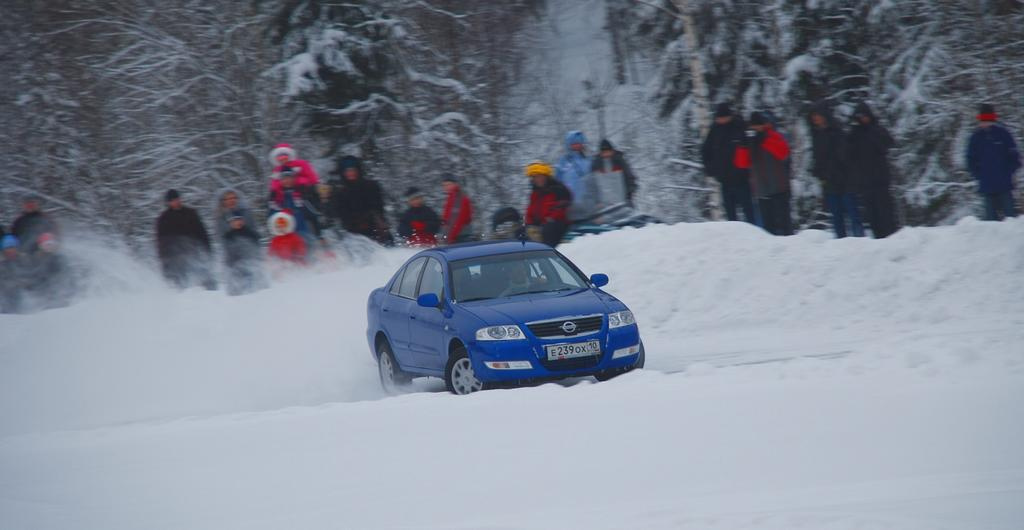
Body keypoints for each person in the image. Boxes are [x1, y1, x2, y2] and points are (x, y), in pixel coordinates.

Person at [809, 103, 863, 238]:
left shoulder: (837, 131)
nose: (815, 118)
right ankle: (841, 244)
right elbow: (818, 157)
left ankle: (860, 241)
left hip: (845, 179)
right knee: (836, 217)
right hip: (829, 181)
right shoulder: (816, 135)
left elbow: (844, 155)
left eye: (817, 115)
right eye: (813, 116)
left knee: (853, 214)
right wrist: (819, 172)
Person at [847, 102, 899, 238]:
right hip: (864, 181)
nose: (862, 119)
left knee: (886, 212)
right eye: (859, 116)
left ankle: (892, 236)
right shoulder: (854, 134)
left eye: (864, 116)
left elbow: (888, 143)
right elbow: (848, 153)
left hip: (880, 178)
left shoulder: (877, 129)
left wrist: (871, 131)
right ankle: (878, 238)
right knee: (872, 214)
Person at [701, 103, 755, 223]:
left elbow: (751, 148)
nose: (721, 120)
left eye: (723, 117)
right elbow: (705, 150)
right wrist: (710, 169)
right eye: (719, 118)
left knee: (749, 213)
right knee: (731, 218)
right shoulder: (714, 129)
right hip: (725, 180)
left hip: (741, 178)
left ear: (729, 116)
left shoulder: (739, 126)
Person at [966, 103, 1021, 220]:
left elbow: (1015, 156)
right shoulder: (976, 137)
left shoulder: (1003, 134)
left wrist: (1008, 171)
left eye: (987, 120)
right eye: (983, 120)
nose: (985, 123)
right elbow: (970, 160)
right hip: (986, 185)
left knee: (1011, 219)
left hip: (1004, 184)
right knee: (990, 222)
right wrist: (978, 175)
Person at [156, 189, 217, 289]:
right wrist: (164, 260)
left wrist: (207, 248)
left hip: (194, 252)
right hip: (175, 257)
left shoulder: (190, 213)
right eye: (172, 200)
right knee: (180, 284)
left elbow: (201, 232)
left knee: (204, 277)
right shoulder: (164, 218)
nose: (175, 202)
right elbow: (161, 242)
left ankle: (212, 294)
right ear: (168, 202)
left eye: (177, 199)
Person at [747, 112, 793, 236]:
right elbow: (742, 163)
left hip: (779, 188)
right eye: (753, 126)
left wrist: (764, 140)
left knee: (785, 226)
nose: (755, 129)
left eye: (757, 126)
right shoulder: (750, 141)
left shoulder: (773, 136)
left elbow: (783, 154)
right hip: (762, 190)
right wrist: (742, 146)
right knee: (768, 230)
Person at [329, 155, 392, 245]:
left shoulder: (371, 186)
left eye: (353, 170)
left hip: (375, 229)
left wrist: (374, 219)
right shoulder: (340, 192)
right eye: (347, 171)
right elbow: (340, 213)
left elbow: (378, 207)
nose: (350, 173)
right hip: (355, 233)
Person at [268, 167, 323, 243]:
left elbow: (313, 215)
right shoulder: (277, 197)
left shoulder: (302, 192)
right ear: (280, 181)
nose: (287, 181)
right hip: (286, 238)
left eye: (289, 178)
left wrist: (319, 236)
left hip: (305, 235)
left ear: (294, 178)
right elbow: (272, 217)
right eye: (284, 178)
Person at [525, 161, 572, 247]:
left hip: (557, 225)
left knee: (548, 229)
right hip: (541, 225)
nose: (537, 179)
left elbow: (562, 207)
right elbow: (530, 211)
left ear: (546, 176)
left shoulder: (558, 189)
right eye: (534, 177)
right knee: (521, 233)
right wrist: (529, 224)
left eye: (539, 176)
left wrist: (549, 219)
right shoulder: (535, 194)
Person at [24, 232, 75, 310]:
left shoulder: (59, 258)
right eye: (46, 244)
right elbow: (32, 275)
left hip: (58, 293)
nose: (49, 246)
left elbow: (67, 274)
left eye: (51, 244)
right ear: (41, 246)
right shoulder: (35, 259)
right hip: (42, 294)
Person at [555, 130, 598, 222]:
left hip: (588, 203)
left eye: (579, 143)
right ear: (569, 145)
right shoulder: (563, 161)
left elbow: (595, 180)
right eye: (573, 143)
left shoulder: (589, 160)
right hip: (570, 204)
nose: (577, 145)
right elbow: (557, 182)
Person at [222, 212, 266, 296]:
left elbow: (257, 249)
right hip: (234, 266)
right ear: (230, 223)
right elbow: (227, 253)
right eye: (234, 220)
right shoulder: (228, 236)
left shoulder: (251, 234)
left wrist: (258, 260)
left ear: (243, 221)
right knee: (236, 289)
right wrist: (227, 264)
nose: (237, 222)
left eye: (239, 219)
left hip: (249, 264)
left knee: (252, 289)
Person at [591, 139, 638, 211]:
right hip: (604, 204)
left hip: (622, 200)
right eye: (604, 152)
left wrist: (630, 193)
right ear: (600, 152)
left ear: (612, 150)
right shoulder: (596, 164)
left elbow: (629, 176)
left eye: (608, 151)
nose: (606, 153)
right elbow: (592, 183)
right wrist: (596, 200)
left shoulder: (620, 161)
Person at [440, 175, 474, 243]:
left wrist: (448, 238)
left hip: (460, 237)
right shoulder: (451, 198)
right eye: (444, 185)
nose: (446, 187)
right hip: (457, 236)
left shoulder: (458, 198)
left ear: (455, 184)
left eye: (449, 184)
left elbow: (456, 221)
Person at [0, 235, 30, 313]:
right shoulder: (2, 264)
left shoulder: (24, 261)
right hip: (6, 298)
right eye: (7, 248)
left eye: (12, 247)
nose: (10, 250)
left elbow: (30, 276)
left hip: (23, 297)